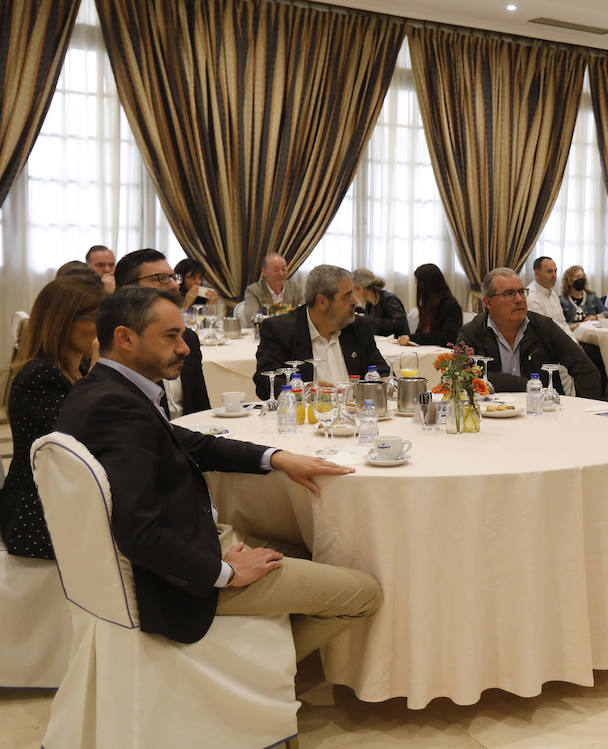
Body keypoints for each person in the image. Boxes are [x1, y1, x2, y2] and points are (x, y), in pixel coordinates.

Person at [57, 286, 380, 656]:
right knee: (365, 594)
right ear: (125, 338)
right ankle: (266, 681)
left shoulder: (104, 391)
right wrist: (226, 574)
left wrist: (276, 457)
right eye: (171, 336)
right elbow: (141, 533)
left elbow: (192, 443)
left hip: (195, 540)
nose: (185, 348)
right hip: (179, 582)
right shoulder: (116, 409)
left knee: (316, 547)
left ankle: (259, 658)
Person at [1, 276, 105, 560]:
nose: (105, 328)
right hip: (38, 513)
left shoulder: (78, 367)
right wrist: (101, 373)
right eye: (98, 318)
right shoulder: (40, 376)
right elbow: (84, 438)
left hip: (66, 496)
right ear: (64, 322)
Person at [457, 268, 601, 397]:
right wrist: (523, 385)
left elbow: (586, 370)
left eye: (521, 292)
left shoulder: (543, 326)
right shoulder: (472, 332)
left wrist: (582, 413)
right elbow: (462, 376)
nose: (519, 300)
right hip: (492, 415)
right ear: (488, 302)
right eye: (509, 294)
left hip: (544, 414)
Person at [253, 265, 390, 399]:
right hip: (306, 419)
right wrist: (304, 390)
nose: (355, 301)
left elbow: (381, 370)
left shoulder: (359, 327)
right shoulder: (280, 330)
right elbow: (265, 383)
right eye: (348, 295)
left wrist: (386, 382)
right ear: (322, 301)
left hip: (357, 416)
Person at [114, 249, 212, 417]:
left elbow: (201, 407)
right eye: (160, 278)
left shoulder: (187, 338)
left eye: (174, 277)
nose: (175, 285)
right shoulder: (118, 342)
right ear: (128, 289)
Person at [397, 263, 462, 347]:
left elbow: (448, 337)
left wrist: (412, 338)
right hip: (426, 350)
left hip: (443, 354)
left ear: (425, 285)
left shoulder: (450, 306)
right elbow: (421, 332)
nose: (416, 287)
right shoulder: (427, 305)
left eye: (417, 283)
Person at [239, 253, 305, 324]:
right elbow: (252, 319)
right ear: (264, 272)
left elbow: (304, 316)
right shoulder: (254, 291)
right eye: (276, 270)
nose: (281, 273)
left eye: (283, 269)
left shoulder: (296, 289)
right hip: (266, 333)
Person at [352, 268, 409, 338]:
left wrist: (368, 320)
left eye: (353, 291)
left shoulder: (389, 300)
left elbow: (399, 325)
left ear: (361, 289)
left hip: (398, 344)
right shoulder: (369, 304)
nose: (354, 295)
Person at [525, 256, 574, 337]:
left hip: (563, 340)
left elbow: (563, 324)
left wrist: (575, 342)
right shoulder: (531, 296)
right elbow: (543, 332)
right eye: (549, 271)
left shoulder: (553, 294)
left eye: (555, 271)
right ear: (537, 273)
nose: (554, 275)